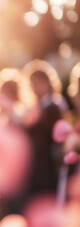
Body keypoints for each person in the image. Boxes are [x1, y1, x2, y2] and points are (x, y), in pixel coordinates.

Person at [23, 60, 65, 201]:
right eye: (31, 84)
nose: (34, 88)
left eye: (36, 83)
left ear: (46, 83)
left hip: (48, 165)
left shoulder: (53, 107)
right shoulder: (35, 108)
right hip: (36, 166)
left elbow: (54, 137)